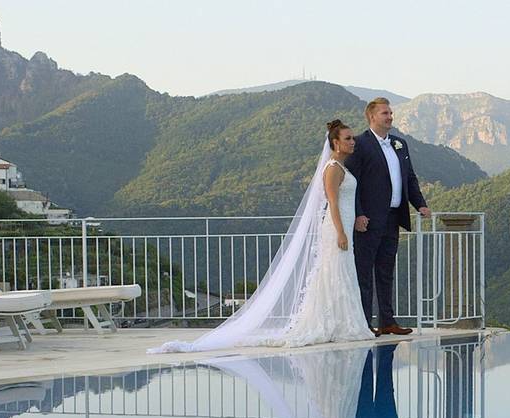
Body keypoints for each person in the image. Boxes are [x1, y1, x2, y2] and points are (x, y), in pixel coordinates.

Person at [150, 120, 374, 353]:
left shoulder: (342, 167)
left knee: (339, 273)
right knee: (334, 272)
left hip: (345, 227)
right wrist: (340, 232)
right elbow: (333, 203)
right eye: (348, 138)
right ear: (336, 143)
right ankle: (335, 324)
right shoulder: (333, 169)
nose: (353, 141)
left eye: (352, 138)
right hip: (337, 229)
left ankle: (341, 322)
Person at [345, 98, 431, 336]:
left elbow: (409, 179)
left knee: (386, 271)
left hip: (393, 219)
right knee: (364, 273)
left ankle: (387, 321)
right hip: (368, 221)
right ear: (372, 117)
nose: (390, 116)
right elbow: (352, 182)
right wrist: (358, 214)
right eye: (385, 113)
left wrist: (420, 205)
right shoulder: (360, 144)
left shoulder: (399, 144)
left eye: (391, 113)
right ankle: (364, 323)